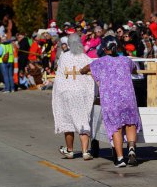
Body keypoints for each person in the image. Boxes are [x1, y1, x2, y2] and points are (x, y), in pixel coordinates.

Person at [80, 36, 142, 168]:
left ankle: (120, 159)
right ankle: (131, 150)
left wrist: (81, 71)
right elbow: (135, 69)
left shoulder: (100, 62)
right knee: (130, 123)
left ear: (104, 49)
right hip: (128, 98)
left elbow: (86, 68)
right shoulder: (126, 60)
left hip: (111, 100)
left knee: (116, 128)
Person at [52, 33, 95, 160]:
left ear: (69, 44)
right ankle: (85, 152)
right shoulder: (85, 58)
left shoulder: (64, 57)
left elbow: (59, 76)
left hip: (67, 93)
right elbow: (91, 76)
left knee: (68, 122)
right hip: (81, 93)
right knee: (83, 120)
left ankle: (70, 151)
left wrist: (58, 94)